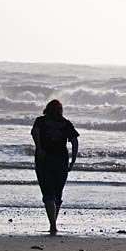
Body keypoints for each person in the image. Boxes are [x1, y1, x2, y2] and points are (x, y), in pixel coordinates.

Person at [31, 99, 79, 234]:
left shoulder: (40, 121)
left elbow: (35, 133)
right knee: (57, 193)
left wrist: (39, 147)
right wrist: (73, 160)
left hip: (44, 159)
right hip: (61, 159)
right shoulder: (65, 123)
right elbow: (75, 141)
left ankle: (52, 224)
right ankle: (53, 223)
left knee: (48, 192)